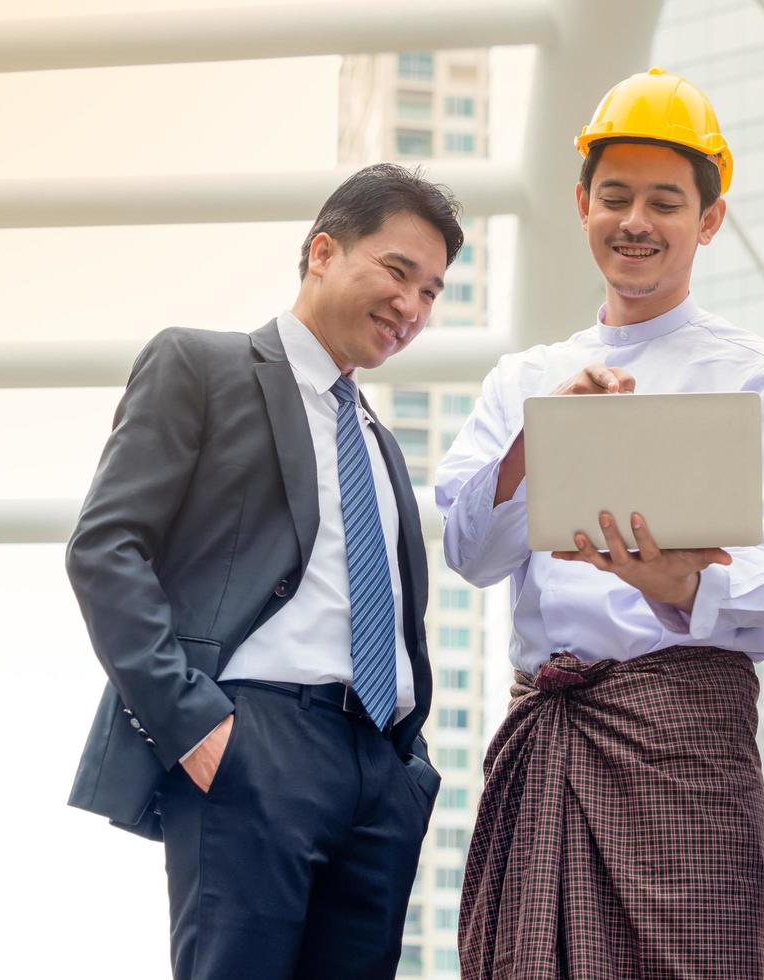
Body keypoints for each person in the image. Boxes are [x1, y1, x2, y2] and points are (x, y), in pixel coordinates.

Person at [436, 68, 764, 978]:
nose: (634, 222)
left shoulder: (759, 376)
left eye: (663, 202)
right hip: (550, 729)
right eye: (614, 198)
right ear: (579, 204)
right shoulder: (520, 378)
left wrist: (676, 579)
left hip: (682, 739)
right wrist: (540, 435)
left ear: (709, 220)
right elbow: (466, 552)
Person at [66, 163, 463, 979]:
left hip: (378, 773)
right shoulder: (201, 367)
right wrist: (197, 727)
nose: (412, 308)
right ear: (322, 251)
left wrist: (404, 769)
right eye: (397, 272)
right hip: (255, 744)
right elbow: (105, 548)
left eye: (431, 292)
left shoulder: (378, 439)